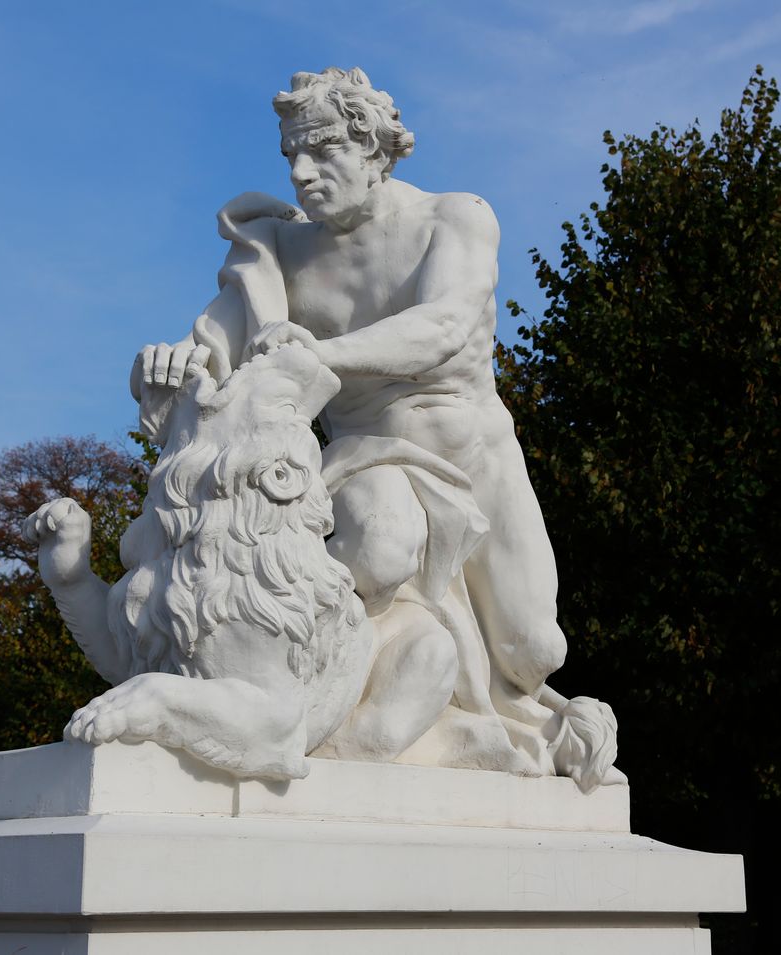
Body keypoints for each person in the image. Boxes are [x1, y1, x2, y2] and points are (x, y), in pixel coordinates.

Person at [132, 67, 570, 769]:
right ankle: (332, 692)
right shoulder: (279, 251)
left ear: (374, 148)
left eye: (323, 151)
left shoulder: (453, 218)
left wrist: (320, 354)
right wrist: (169, 364)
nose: (302, 173)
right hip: (370, 453)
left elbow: (443, 327)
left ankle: (471, 715)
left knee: (534, 651)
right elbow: (213, 350)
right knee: (382, 541)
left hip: (475, 454)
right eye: (291, 156)